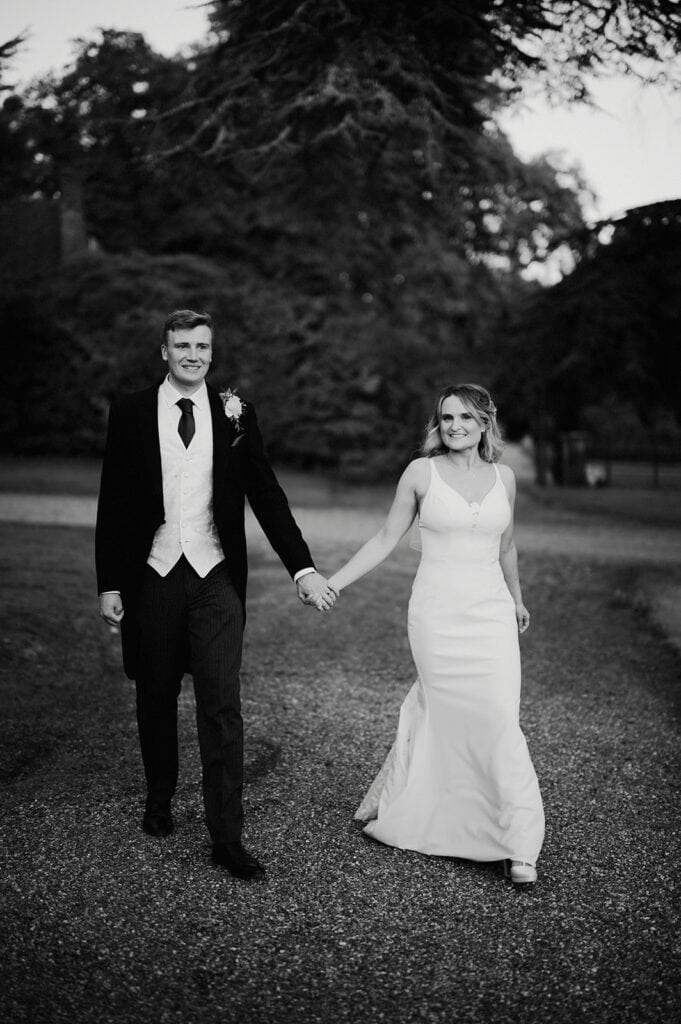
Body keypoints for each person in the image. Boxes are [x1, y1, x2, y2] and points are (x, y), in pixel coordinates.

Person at [96, 309, 336, 880]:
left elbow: (267, 495)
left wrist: (302, 568)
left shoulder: (237, 412)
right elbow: (114, 500)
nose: (193, 355)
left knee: (221, 703)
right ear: (164, 351)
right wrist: (109, 582)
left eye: (202, 346)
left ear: (211, 352)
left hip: (216, 576)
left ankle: (227, 836)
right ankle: (159, 796)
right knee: (155, 694)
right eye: (182, 346)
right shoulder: (131, 412)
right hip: (153, 574)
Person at [328, 384, 544, 886]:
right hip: (437, 617)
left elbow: (506, 546)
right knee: (446, 716)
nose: (455, 426)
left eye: (466, 417)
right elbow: (386, 538)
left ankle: (519, 843)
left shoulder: (504, 478)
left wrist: (516, 599)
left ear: (485, 422)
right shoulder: (420, 473)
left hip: (491, 615)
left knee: (498, 718)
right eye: (447, 418)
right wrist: (333, 583)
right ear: (437, 424)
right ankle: (445, 818)